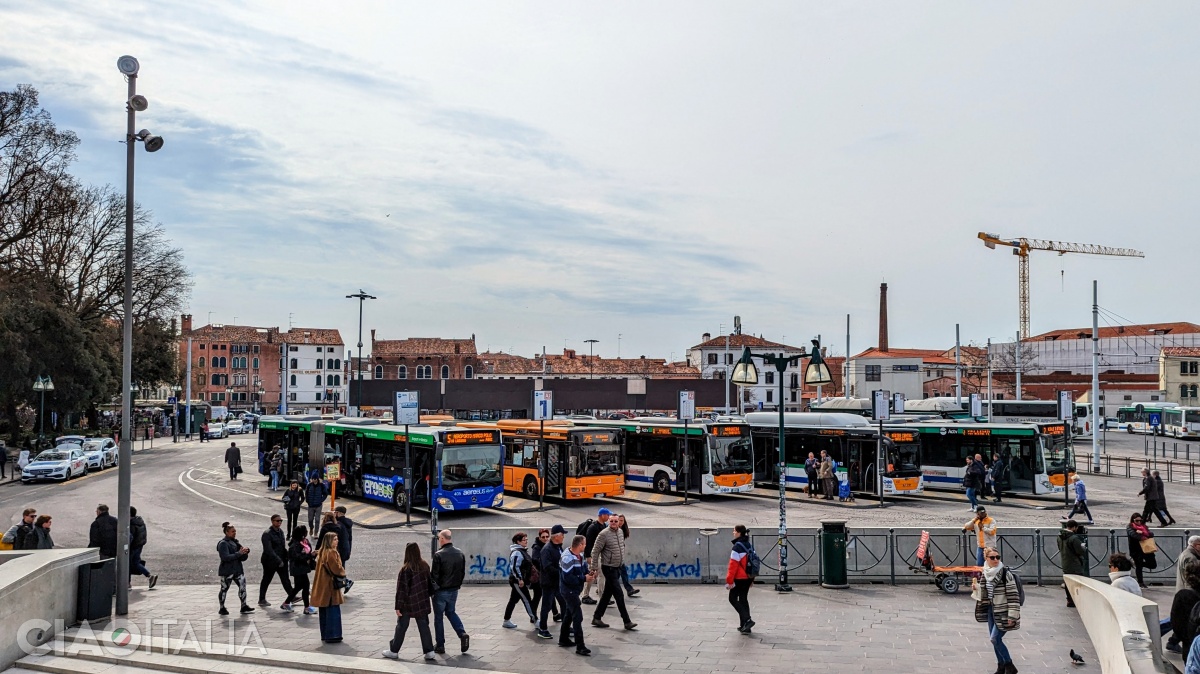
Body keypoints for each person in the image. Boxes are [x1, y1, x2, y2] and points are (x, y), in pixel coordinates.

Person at [382, 542, 437, 661]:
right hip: (421, 601)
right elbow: (429, 584)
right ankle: (429, 651)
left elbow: (402, 590)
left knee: (401, 626)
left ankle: (394, 650)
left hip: (408, 603)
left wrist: (398, 606)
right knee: (424, 626)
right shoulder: (425, 566)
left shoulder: (405, 569)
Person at [973, 546, 1021, 674]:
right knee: (995, 641)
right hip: (991, 611)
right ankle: (1001, 667)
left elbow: (1014, 596)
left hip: (1003, 612)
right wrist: (977, 588)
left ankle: (1009, 665)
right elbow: (985, 593)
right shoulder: (986, 572)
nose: (996, 560)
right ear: (986, 559)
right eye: (992, 557)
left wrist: (1012, 616)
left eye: (998, 557)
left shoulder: (1005, 574)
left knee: (994, 638)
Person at [590, 514, 636, 631]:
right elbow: (595, 551)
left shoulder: (620, 532)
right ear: (608, 522)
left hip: (617, 567)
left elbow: (621, 547)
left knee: (606, 594)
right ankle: (627, 621)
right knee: (619, 594)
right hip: (608, 568)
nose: (614, 523)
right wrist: (594, 567)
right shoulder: (603, 534)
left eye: (616, 521)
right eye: (612, 521)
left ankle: (596, 617)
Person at [430, 529, 470, 654]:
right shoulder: (460, 553)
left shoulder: (438, 555)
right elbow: (462, 572)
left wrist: (432, 591)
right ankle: (462, 633)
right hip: (454, 589)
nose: (438, 540)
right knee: (451, 612)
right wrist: (457, 585)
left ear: (442, 539)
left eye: (438, 538)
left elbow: (434, 576)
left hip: (441, 590)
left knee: (438, 617)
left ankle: (440, 645)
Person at [560, 534, 595, 656]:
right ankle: (580, 646)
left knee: (569, 614)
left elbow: (583, 569)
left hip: (574, 590)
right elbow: (567, 577)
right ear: (580, 545)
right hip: (569, 591)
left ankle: (563, 639)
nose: (585, 546)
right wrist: (583, 578)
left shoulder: (579, 556)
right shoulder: (567, 558)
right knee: (577, 617)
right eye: (584, 544)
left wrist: (589, 574)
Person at [311, 531, 346, 643]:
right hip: (330, 585)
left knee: (324, 610)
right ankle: (333, 635)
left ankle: (325, 634)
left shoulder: (321, 552)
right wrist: (342, 572)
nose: (337, 541)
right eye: (335, 539)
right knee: (333, 609)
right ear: (329, 541)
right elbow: (336, 569)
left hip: (322, 584)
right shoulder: (332, 552)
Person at [258, 514, 297, 611]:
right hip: (269, 561)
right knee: (267, 579)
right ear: (272, 521)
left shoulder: (280, 532)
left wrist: (287, 556)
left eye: (280, 521)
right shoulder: (267, 534)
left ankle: (291, 596)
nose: (279, 522)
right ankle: (261, 599)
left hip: (281, 560)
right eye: (277, 521)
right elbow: (268, 550)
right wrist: (278, 560)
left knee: (285, 579)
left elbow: (282, 546)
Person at [217, 522, 254, 616]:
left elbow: (242, 557)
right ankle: (222, 607)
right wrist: (239, 553)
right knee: (224, 589)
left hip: (237, 570)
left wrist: (245, 552)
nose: (234, 533)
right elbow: (225, 557)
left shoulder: (235, 542)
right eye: (232, 531)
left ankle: (244, 606)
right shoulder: (223, 544)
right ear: (226, 532)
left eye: (235, 531)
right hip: (227, 571)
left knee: (243, 587)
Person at [537, 524, 566, 639]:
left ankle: (566, 626)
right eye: (562, 534)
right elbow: (547, 567)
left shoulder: (558, 547)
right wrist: (561, 572)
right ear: (557, 536)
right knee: (546, 606)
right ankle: (543, 629)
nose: (564, 536)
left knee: (564, 604)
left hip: (557, 582)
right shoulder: (547, 549)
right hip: (549, 583)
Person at [503, 532, 537, 628]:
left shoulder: (522, 551)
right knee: (527, 600)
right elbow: (514, 567)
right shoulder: (517, 552)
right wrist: (520, 579)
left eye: (526, 539)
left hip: (520, 581)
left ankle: (506, 620)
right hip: (518, 582)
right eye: (524, 540)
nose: (526, 541)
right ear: (518, 541)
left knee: (513, 600)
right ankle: (536, 620)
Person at [726, 524, 755, 634]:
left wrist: (729, 580)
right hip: (748, 577)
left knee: (732, 599)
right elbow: (753, 562)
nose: (733, 533)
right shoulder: (748, 545)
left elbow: (733, 565)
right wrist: (752, 579)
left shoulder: (737, 547)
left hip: (739, 578)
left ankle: (747, 620)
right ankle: (745, 626)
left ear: (738, 532)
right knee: (743, 599)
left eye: (734, 531)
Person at [580, 508, 612, 604]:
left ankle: (586, 595)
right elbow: (588, 543)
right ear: (602, 515)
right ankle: (602, 597)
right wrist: (588, 557)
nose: (608, 517)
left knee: (593, 574)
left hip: (600, 555)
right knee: (599, 575)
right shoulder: (593, 527)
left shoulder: (604, 526)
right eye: (607, 515)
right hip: (594, 555)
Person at [1057, 520, 1089, 607]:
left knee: (1067, 582)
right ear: (1074, 527)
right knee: (1077, 582)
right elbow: (1080, 551)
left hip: (1065, 562)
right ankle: (1077, 599)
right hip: (1075, 564)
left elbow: (1059, 548)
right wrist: (1083, 547)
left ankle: (1069, 599)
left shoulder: (1059, 537)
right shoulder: (1074, 538)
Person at [288, 525, 318, 615]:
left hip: (303, 567)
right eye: (305, 531)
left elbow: (307, 552)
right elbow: (297, 557)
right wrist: (310, 555)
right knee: (305, 586)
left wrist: (313, 555)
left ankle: (286, 603)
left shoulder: (305, 541)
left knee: (298, 587)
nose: (306, 532)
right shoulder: (295, 545)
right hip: (297, 568)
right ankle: (307, 607)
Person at [129, 507, 158, 589]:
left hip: (132, 547)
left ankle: (127, 583)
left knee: (128, 564)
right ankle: (149, 576)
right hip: (139, 545)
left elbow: (130, 537)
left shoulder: (131, 524)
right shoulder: (139, 521)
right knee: (135, 562)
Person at [1126, 513, 1157, 588]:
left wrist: (1143, 532)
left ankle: (1137, 564)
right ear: (1133, 520)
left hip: (1147, 548)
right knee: (1139, 567)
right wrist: (1142, 536)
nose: (1139, 522)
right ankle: (1140, 582)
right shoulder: (1130, 527)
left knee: (1153, 565)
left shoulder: (1144, 527)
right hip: (1136, 550)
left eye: (1140, 520)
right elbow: (1133, 535)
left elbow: (1151, 534)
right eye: (1137, 521)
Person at [529, 528, 550, 619]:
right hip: (538, 577)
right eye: (543, 537)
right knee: (537, 597)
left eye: (547, 536)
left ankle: (556, 613)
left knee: (550, 596)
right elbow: (535, 559)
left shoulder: (548, 545)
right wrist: (545, 564)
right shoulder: (536, 547)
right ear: (539, 537)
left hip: (545, 576)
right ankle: (533, 615)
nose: (545, 538)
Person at [616, 514, 638, 596]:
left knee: (620, 573)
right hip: (615, 555)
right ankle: (629, 589)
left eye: (622, 520)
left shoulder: (622, 530)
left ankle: (629, 589)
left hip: (619, 555)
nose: (620, 522)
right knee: (620, 572)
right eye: (619, 520)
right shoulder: (614, 530)